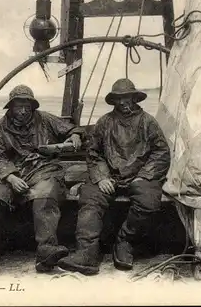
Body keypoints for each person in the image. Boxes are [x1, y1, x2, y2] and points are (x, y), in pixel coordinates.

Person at [0, 85, 84, 273]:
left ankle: (46, 250)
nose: (23, 110)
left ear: (32, 106)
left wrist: (75, 135)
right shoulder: (0, 126)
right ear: (10, 107)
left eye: (27, 106)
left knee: (45, 195)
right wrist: (10, 177)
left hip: (42, 169)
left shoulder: (44, 119)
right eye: (18, 106)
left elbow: (71, 129)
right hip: (10, 172)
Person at [58, 78, 171, 275]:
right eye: (119, 99)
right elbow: (93, 153)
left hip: (139, 176)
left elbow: (161, 152)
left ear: (135, 98)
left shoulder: (148, 122)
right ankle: (87, 254)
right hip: (109, 176)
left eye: (127, 98)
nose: (123, 102)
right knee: (90, 199)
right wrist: (102, 177)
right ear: (114, 101)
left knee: (148, 202)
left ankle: (125, 241)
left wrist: (144, 175)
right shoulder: (104, 123)